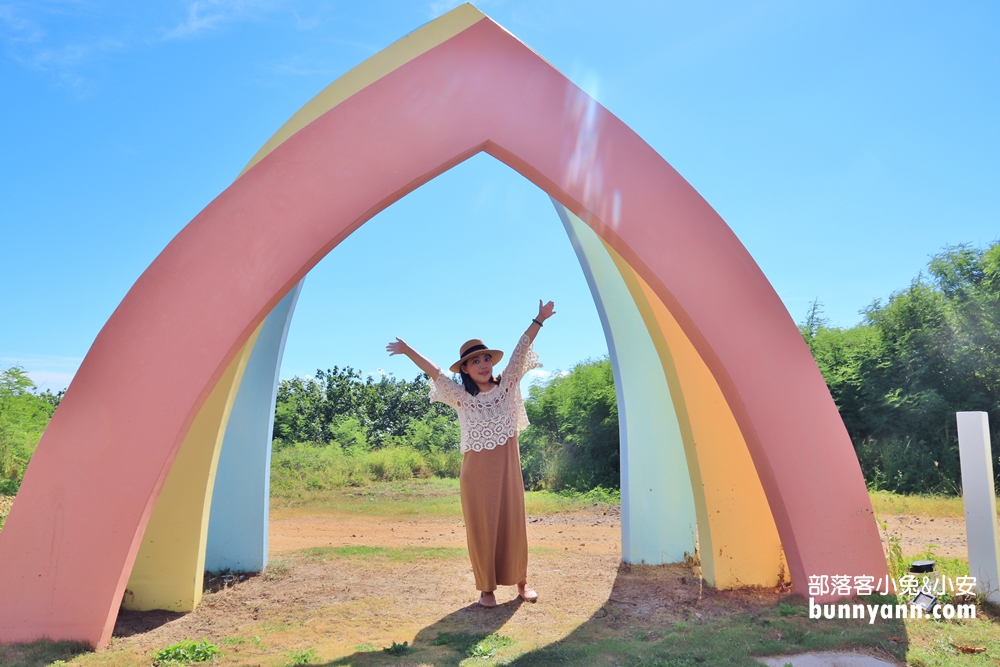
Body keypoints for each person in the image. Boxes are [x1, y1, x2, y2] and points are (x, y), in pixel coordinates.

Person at [386, 300, 556, 607]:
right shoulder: (461, 397)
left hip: (507, 470)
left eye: (486, 359)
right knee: (482, 527)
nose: (483, 364)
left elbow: (521, 348)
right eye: (475, 361)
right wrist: (408, 349)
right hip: (475, 475)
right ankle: (486, 589)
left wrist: (539, 319)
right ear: (464, 368)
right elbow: (435, 372)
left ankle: (522, 581)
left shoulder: (507, 385)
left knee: (513, 522)